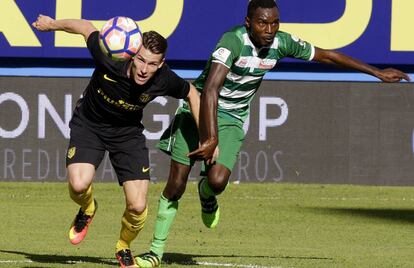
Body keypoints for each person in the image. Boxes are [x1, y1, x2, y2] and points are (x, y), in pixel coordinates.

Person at [136, 0, 410, 266]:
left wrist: (376, 72)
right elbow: (209, 90)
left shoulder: (281, 43)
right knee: (176, 183)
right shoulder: (231, 41)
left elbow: (326, 54)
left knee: (218, 181)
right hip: (197, 110)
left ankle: (206, 194)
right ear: (248, 23)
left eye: (274, 23)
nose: (269, 29)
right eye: (262, 23)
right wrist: (210, 138)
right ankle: (155, 253)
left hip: (232, 118)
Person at [32, 14, 200, 268]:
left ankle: (123, 247)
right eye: (141, 60)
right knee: (78, 185)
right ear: (132, 54)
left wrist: (208, 136)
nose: (144, 69)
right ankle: (88, 208)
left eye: (152, 64)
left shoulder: (164, 79)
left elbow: (193, 94)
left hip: (127, 134)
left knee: (138, 204)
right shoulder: (109, 56)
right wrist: (52, 25)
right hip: (90, 125)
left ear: (161, 63)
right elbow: (85, 27)